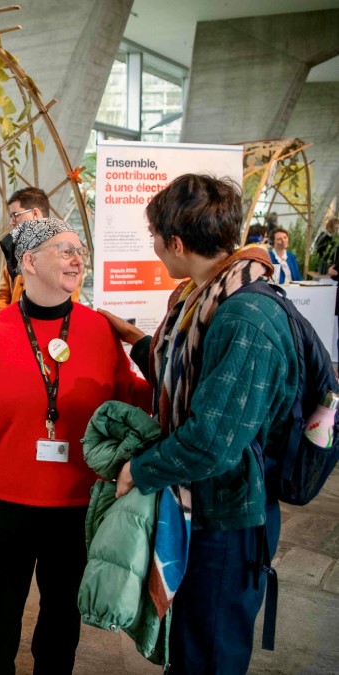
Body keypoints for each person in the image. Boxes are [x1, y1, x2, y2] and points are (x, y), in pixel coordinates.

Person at [100, 174, 296, 674]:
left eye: (155, 239)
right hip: (200, 508)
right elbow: (194, 376)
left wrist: (139, 470)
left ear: (177, 243)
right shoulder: (203, 296)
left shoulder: (245, 314)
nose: (155, 249)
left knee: (207, 650)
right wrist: (137, 341)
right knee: (187, 641)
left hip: (229, 518)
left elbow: (212, 440)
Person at [0, 217, 151, 675]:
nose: (78, 259)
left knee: (61, 613)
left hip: (76, 501)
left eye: (79, 250)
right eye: (65, 250)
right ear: (29, 262)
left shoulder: (97, 330)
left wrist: (155, 352)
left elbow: (132, 395)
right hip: (3, 501)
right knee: (1, 611)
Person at [0, 187, 50, 311]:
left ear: (35, 213)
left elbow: (69, 302)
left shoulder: (64, 252)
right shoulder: (14, 252)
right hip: (14, 327)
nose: (12, 222)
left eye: (15, 215)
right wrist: (6, 325)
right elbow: (2, 297)